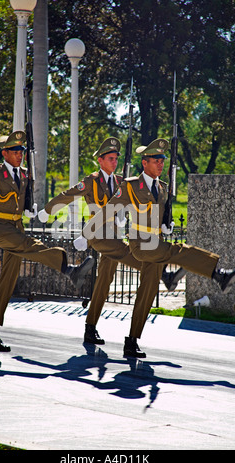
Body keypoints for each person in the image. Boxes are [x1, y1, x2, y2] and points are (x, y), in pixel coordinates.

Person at [81, 138, 235, 358]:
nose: (160, 164)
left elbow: (160, 216)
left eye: (162, 161)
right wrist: (87, 233)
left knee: (146, 294)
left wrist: (166, 225)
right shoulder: (130, 186)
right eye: (156, 160)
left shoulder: (163, 188)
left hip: (156, 244)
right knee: (179, 250)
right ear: (145, 163)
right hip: (141, 244)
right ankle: (218, 274)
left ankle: (131, 342)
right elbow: (107, 211)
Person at [0, 131, 94, 352]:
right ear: (5, 153)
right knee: (31, 246)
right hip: (0, 228)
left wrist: (30, 209)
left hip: (16, 226)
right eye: (15, 151)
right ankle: (67, 268)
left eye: (21, 151)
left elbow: (24, 202)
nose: (20, 155)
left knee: (8, 281)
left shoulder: (26, 174)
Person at [38, 137, 185, 345]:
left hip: (115, 234)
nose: (114, 163)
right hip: (98, 235)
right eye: (110, 159)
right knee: (129, 253)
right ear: (100, 160)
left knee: (104, 283)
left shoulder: (120, 182)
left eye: (116, 159)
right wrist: (48, 210)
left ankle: (90, 328)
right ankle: (164, 274)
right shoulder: (92, 180)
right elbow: (69, 194)